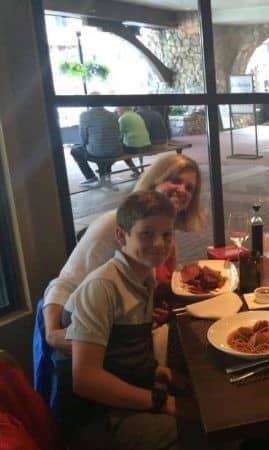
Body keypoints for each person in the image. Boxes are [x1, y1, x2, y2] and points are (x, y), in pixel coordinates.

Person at [57, 191, 202, 449]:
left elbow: (120, 355)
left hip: (134, 390)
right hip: (103, 418)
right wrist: (163, 402)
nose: (159, 243)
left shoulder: (143, 279)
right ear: (121, 236)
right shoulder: (102, 288)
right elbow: (86, 379)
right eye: (147, 234)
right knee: (210, 428)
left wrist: (162, 372)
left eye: (166, 235)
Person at [43, 154, 204, 354]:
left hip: (127, 337)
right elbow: (65, 282)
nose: (182, 190)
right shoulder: (114, 223)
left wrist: (152, 312)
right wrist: (52, 333)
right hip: (81, 337)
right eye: (175, 180)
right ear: (154, 180)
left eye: (189, 188)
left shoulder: (166, 234)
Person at [70, 98, 123, 186]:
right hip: (116, 151)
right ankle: (105, 178)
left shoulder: (85, 115)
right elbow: (118, 133)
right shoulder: (113, 114)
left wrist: (84, 145)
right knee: (103, 147)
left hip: (98, 152)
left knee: (75, 150)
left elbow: (83, 137)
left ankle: (90, 177)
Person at [116, 106, 151, 177]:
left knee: (121, 153)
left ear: (120, 109)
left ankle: (136, 171)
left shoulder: (123, 118)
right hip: (146, 146)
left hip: (134, 148)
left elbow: (119, 134)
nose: (117, 111)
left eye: (117, 109)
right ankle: (141, 168)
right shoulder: (137, 115)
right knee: (137, 143)